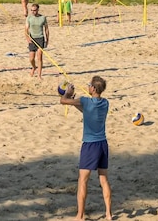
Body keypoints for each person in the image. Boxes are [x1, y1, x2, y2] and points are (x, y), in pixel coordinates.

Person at [60, 76, 112, 221]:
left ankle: (80, 215)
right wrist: (74, 102)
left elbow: (62, 101)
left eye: (89, 85)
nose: (88, 86)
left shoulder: (85, 101)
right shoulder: (105, 103)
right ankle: (108, 214)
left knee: (83, 180)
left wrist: (67, 93)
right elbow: (87, 112)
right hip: (103, 144)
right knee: (104, 180)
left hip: (90, 145)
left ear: (94, 88)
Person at [26, 3, 49, 79]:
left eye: (34, 10)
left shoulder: (43, 18)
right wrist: (28, 38)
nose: (33, 12)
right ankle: (33, 67)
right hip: (32, 39)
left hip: (40, 38)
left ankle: (39, 75)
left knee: (39, 57)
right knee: (31, 58)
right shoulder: (29, 18)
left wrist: (47, 39)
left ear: (38, 10)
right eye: (32, 10)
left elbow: (46, 29)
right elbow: (26, 29)